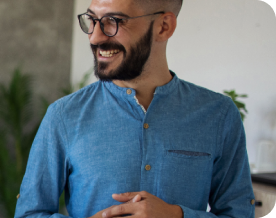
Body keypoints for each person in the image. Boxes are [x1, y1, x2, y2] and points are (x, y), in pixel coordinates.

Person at [15, 0, 255, 217]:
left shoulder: (219, 115)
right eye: (92, 20)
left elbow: (240, 214)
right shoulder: (63, 116)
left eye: (114, 22)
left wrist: (176, 216)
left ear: (163, 26)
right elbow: (29, 214)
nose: (95, 37)